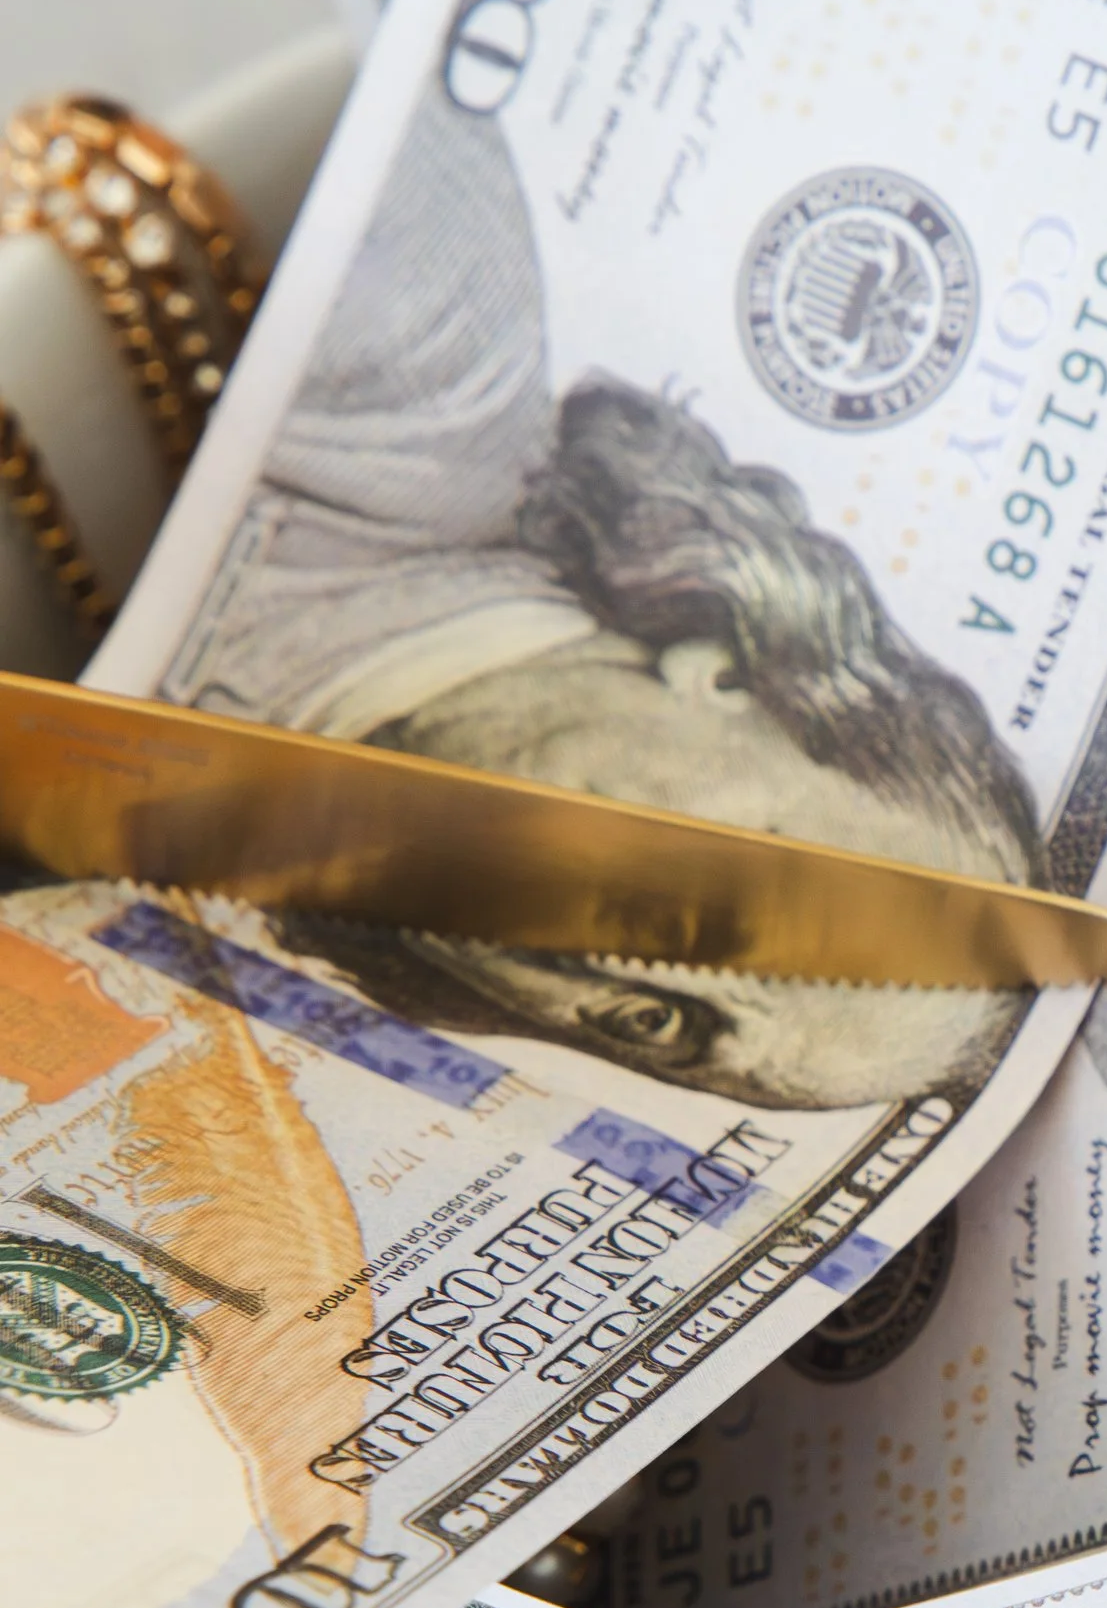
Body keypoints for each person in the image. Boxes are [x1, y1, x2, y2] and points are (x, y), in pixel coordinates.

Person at [162, 85, 1043, 1113]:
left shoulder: (217, 869)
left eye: (662, 1028)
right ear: (724, 667)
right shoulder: (427, 351)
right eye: (720, 907)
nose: (614, 970)